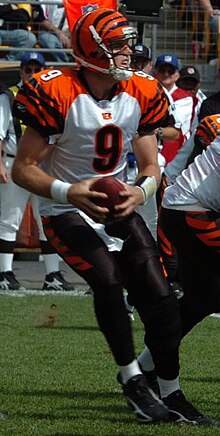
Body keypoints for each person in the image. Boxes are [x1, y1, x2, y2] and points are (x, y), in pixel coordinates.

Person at [11, 8, 217, 426]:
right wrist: (67, 190)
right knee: (107, 280)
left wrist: (139, 191)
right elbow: (23, 168)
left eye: (127, 43)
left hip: (115, 203)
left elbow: (150, 164)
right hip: (65, 206)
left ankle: (171, 392)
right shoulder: (57, 90)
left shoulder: (142, 90)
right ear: (91, 50)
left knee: (160, 299)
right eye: (118, 45)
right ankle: (132, 382)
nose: (128, 52)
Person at [0, 51, 74, 291]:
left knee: (47, 219)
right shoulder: (8, 97)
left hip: (43, 165)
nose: (32, 74)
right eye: (28, 69)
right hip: (15, 162)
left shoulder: (51, 95)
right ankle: (4, 273)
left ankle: (52, 275)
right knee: (11, 218)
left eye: (36, 69)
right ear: (21, 71)